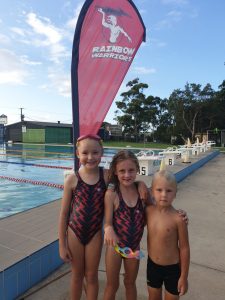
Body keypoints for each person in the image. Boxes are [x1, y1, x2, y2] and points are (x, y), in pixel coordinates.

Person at [58, 135, 148, 300]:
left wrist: (140, 184)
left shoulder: (106, 176)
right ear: (77, 153)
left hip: (94, 235)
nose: (90, 157)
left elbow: (126, 179)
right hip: (73, 232)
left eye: (95, 152)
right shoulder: (72, 180)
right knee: (77, 276)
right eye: (85, 153)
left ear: (101, 153)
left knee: (91, 276)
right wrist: (62, 244)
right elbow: (64, 214)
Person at [103, 150, 151, 300]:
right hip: (115, 247)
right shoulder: (112, 194)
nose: (127, 175)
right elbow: (108, 222)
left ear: (137, 169)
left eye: (131, 170)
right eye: (122, 171)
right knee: (112, 285)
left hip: (134, 247)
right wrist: (108, 228)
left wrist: (178, 213)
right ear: (116, 172)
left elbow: (160, 208)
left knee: (130, 282)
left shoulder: (141, 192)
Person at [146, 170, 190, 300]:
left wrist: (184, 276)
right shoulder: (148, 211)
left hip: (172, 270)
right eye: (159, 190)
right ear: (152, 191)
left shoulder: (178, 219)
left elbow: (184, 248)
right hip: (152, 265)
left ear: (175, 193)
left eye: (169, 191)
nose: (164, 195)